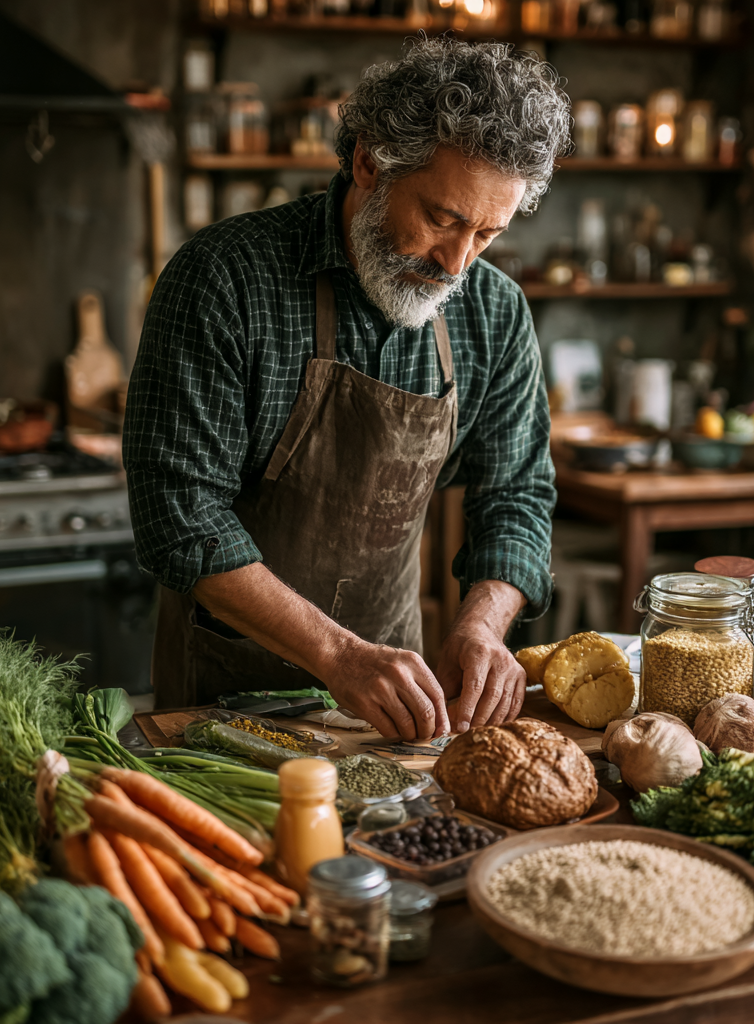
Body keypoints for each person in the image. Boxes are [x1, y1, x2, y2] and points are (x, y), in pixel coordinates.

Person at [123, 37, 571, 738]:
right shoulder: (222, 279)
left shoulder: (496, 311)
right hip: (222, 699)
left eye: (487, 233)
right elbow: (179, 515)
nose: (457, 262)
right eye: (443, 219)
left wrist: (483, 625)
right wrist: (337, 655)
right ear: (369, 162)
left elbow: (516, 492)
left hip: (393, 705)